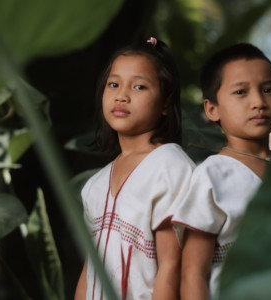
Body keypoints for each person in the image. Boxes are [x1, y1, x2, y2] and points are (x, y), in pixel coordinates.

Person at [74, 37, 195, 300]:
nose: (122, 95)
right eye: (114, 84)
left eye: (139, 86)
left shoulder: (169, 168)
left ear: (166, 102)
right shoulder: (95, 185)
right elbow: (89, 270)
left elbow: (171, 267)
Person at [172, 43, 271, 299]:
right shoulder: (212, 175)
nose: (259, 102)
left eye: (268, 89)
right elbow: (193, 273)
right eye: (241, 91)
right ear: (212, 109)